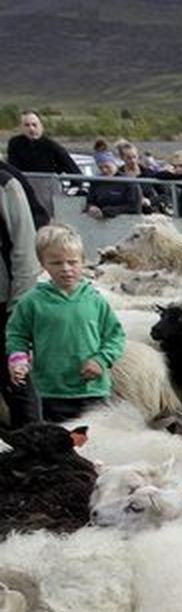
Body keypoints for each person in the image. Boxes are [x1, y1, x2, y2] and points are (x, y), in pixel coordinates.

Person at [5, 225, 124, 423]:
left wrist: (101, 360)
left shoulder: (95, 300)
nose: (66, 269)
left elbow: (115, 336)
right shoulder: (32, 301)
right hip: (52, 392)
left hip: (92, 390)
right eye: (56, 263)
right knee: (59, 445)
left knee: (97, 444)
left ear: (83, 262)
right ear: (43, 264)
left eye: (72, 262)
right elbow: (17, 334)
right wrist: (18, 360)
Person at [0, 158, 42, 425]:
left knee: (16, 382)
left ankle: (32, 454)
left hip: (5, 304)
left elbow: (25, 249)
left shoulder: (6, 185)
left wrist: (19, 306)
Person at [6, 110, 79, 219]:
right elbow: (11, 168)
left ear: (41, 126)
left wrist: (72, 190)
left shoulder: (51, 146)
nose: (31, 129)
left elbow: (74, 172)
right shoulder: (14, 144)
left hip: (46, 195)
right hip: (22, 195)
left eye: (34, 125)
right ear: (21, 127)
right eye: (27, 125)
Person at [83, 150, 142, 220]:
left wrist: (110, 211)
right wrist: (91, 207)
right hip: (99, 221)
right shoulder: (96, 182)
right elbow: (89, 201)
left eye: (107, 167)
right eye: (100, 168)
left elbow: (135, 208)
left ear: (114, 165)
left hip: (123, 220)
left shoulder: (128, 181)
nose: (104, 170)